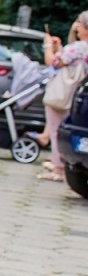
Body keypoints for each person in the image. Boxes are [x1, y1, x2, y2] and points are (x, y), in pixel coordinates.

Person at [39, 12, 88, 181]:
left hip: (62, 94)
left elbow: (52, 62)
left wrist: (48, 46)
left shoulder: (76, 48)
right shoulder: (82, 49)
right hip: (78, 97)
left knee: (54, 130)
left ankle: (58, 169)